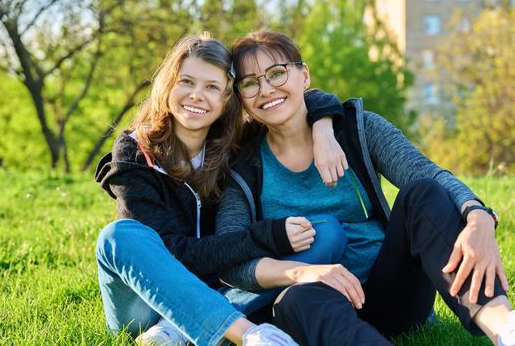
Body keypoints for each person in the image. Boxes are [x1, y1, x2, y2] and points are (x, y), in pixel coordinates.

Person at [215, 29, 515, 346]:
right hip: (313, 300)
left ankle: (504, 329)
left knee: (422, 193)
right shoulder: (242, 165)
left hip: (389, 291)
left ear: (304, 75)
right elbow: (231, 258)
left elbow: (425, 172)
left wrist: (477, 214)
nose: (266, 89)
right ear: (241, 97)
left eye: (277, 73)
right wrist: (300, 274)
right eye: (250, 82)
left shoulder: (359, 129)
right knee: (297, 299)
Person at [94, 33, 345, 346]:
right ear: (168, 86)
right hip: (147, 302)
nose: (197, 95)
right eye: (187, 82)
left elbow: (303, 98)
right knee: (118, 237)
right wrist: (267, 235)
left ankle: (188, 328)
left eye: (212, 87)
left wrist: (324, 129)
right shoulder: (135, 152)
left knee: (325, 233)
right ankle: (249, 333)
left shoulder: (233, 145)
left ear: (228, 98)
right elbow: (173, 254)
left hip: (222, 291)